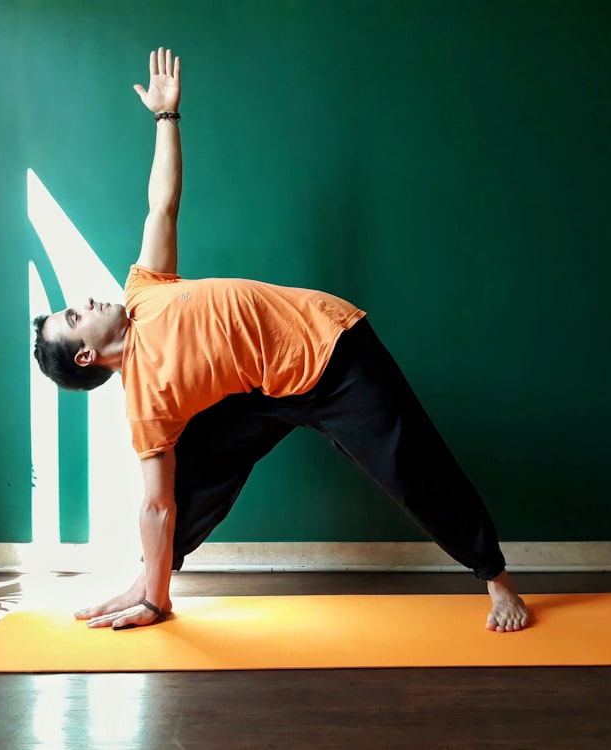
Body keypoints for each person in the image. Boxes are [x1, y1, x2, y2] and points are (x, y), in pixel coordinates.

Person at [33, 47, 530, 633]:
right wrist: (153, 591)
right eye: (73, 316)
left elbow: (161, 205)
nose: (84, 302)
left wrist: (166, 119)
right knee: (189, 473)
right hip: (263, 387)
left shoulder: (144, 289)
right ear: (87, 355)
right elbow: (157, 504)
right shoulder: (147, 403)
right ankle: (152, 590)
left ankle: (497, 579)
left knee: (410, 467)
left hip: (332, 352)